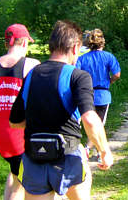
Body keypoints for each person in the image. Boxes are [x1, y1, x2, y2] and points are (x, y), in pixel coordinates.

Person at [9, 20, 113, 200]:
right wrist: (104, 151)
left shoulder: (31, 75)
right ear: (74, 48)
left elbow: (15, 121)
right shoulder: (78, 76)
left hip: (35, 158)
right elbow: (89, 118)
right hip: (68, 157)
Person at [0, 23, 40, 200]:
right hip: (21, 136)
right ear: (24, 43)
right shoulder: (31, 65)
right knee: (32, 184)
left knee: (15, 174)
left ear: (7, 43)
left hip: (0, 135)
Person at [76, 28, 121, 160]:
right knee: (99, 124)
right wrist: (109, 82)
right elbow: (117, 74)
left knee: (89, 124)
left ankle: (93, 150)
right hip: (103, 95)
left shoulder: (82, 58)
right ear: (102, 42)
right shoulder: (108, 57)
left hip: (86, 94)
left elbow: (76, 75)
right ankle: (90, 149)